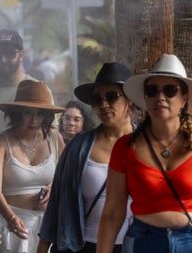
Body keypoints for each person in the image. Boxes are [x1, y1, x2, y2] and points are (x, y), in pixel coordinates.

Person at [97, 54, 192, 253]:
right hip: (143, 243)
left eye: (170, 90)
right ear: (145, 97)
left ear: (184, 97)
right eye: (152, 90)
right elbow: (112, 213)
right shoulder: (125, 146)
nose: (160, 97)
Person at [37, 62, 134, 253]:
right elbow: (57, 202)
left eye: (112, 96)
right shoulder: (78, 147)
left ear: (130, 98)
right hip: (82, 245)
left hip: (133, 246)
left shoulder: (146, 145)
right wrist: (42, 247)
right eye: (97, 99)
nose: (103, 104)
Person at [0, 29, 54, 212]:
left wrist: (52, 185)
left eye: (9, 53)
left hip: (27, 188)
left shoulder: (37, 90)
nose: (3, 59)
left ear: (22, 54)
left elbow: (52, 140)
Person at [0, 80, 65, 253]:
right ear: (16, 113)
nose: (34, 120)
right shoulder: (1, 142)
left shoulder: (55, 138)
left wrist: (53, 189)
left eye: (39, 114)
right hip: (11, 224)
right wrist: (11, 218)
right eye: (27, 113)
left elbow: (67, 178)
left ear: (46, 116)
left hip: (47, 225)